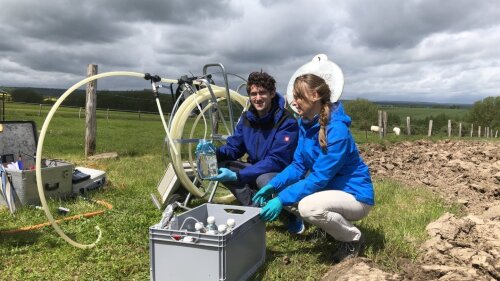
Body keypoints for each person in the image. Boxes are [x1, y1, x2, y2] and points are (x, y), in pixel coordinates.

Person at [252, 73, 374, 262]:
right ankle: (330, 229)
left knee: (307, 206)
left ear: (315, 95)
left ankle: (352, 238)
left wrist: (282, 199)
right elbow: (298, 165)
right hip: (332, 190)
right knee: (285, 195)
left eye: (299, 96)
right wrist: (273, 186)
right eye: (294, 96)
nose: (294, 101)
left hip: (355, 195)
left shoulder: (337, 130)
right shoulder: (305, 124)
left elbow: (319, 178)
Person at [207, 71, 300, 226]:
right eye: (253, 93)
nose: (257, 98)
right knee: (220, 167)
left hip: (279, 171)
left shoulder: (286, 122)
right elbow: (234, 148)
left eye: (262, 93)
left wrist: (239, 176)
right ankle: (255, 208)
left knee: (263, 179)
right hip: (255, 166)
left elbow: (276, 161)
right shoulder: (247, 118)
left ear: (271, 94)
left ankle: (289, 211)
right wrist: (212, 154)